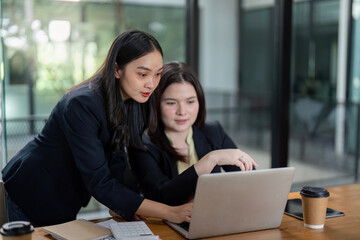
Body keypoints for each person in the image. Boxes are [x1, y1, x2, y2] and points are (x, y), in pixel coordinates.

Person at [1, 30, 192, 227]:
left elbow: (117, 157)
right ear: (117, 69)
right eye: (142, 74)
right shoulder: (82, 104)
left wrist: (125, 205)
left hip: (63, 196)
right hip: (33, 191)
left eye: (158, 74)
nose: (151, 84)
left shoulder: (132, 100)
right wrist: (170, 211)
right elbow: (99, 180)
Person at [128, 62, 259, 206]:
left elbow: (249, 180)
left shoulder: (213, 131)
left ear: (200, 101)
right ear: (155, 104)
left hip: (214, 216)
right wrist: (210, 160)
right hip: (166, 224)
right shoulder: (141, 145)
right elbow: (161, 197)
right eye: (171, 103)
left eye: (190, 102)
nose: (182, 111)